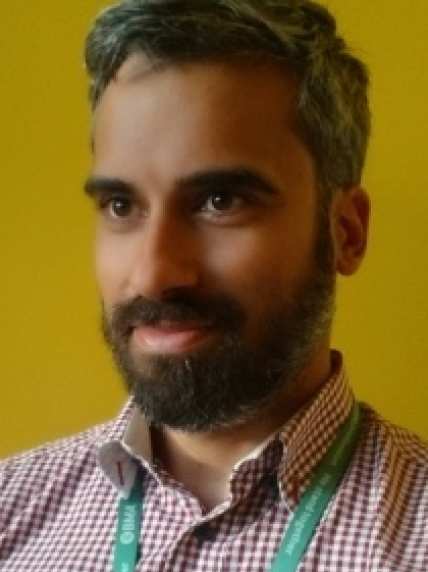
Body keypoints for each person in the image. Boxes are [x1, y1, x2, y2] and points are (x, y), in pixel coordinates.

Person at [1, 0, 427, 570]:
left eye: (220, 201)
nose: (154, 274)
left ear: (345, 232)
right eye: (121, 205)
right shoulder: (11, 510)